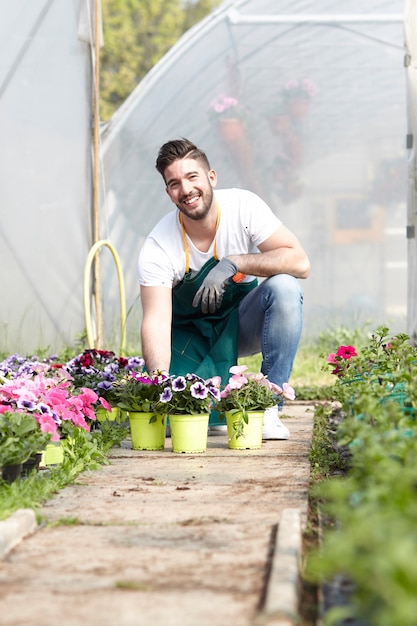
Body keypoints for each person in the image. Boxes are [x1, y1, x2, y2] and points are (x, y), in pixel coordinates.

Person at [138, 138, 310, 439]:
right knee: (177, 421)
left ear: (211, 177)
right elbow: (155, 320)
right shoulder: (158, 246)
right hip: (191, 336)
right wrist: (159, 384)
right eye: (175, 183)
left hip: (242, 324)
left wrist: (234, 263)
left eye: (192, 177)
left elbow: (300, 262)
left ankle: (268, 409)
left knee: (285, 286)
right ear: (168, 193)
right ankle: (212, 406)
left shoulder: (244, 208)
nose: (186, 190)